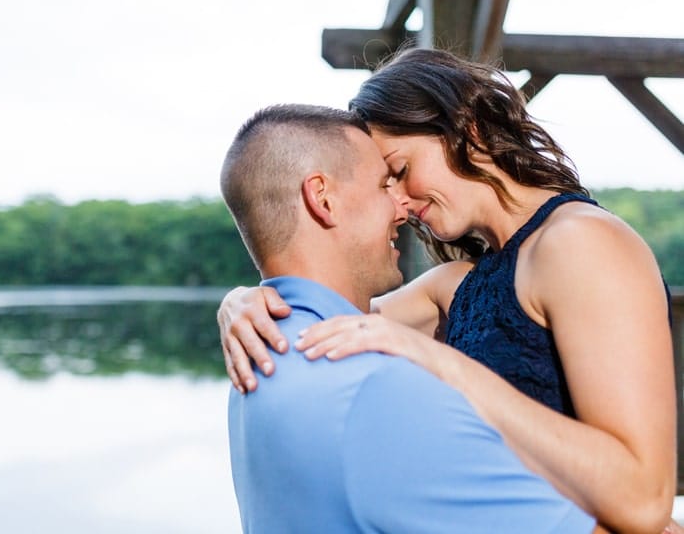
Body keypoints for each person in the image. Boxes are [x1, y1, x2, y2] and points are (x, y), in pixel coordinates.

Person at [218, 48, 676, 534]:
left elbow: (643, 500)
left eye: (399, 170)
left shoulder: (582, 244)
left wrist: (440, 361)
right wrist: (244, 302)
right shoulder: (456, 286)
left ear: (466, 130)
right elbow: (324, 316)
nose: (396, 201)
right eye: (383, 183)